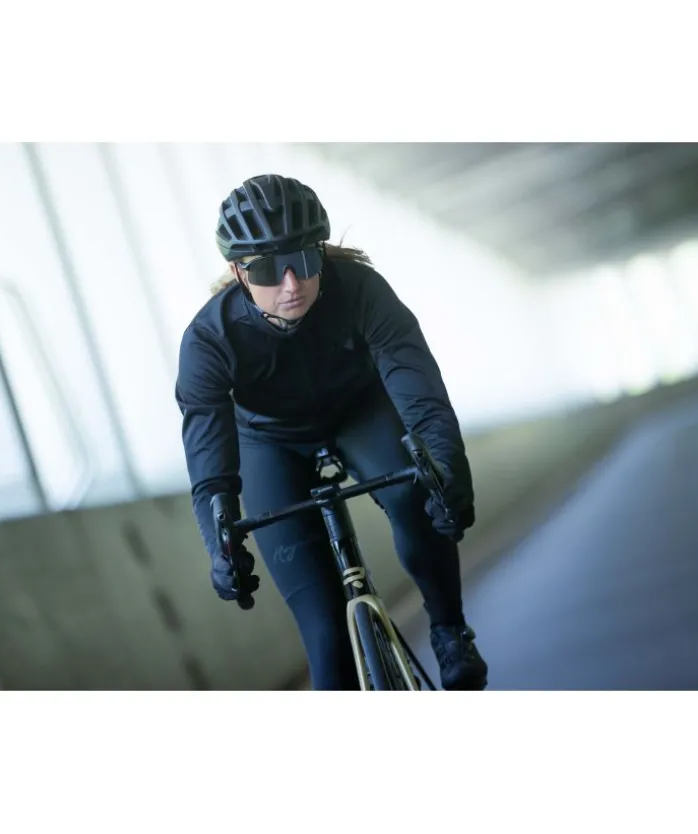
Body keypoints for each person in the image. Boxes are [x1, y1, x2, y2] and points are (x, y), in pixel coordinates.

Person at [175, 173, 488, 691]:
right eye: (268, 269)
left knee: (414, 496)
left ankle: (450, 630)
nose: (291, 284)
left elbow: (423, 401)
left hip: (359, 412)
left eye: (303, 260)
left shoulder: (362, 290)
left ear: (321, 252)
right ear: (237, 271)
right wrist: (221, 548)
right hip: (269, 440)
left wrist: (449, 471)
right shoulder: (208, 340)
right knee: (325, 636)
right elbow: (211, 473)